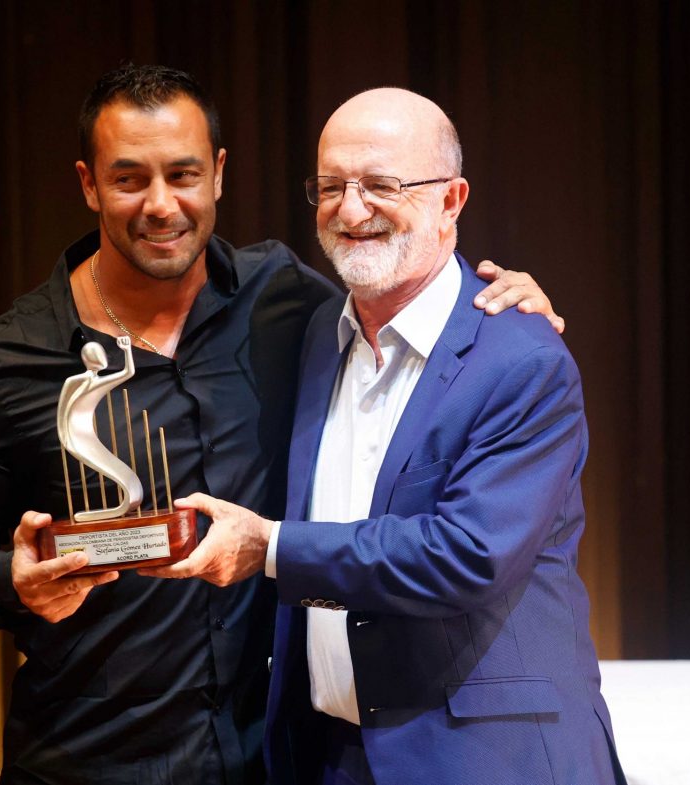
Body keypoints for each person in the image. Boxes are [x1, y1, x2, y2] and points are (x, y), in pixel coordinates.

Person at [0, 65, 563, 785]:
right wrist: (11, 581)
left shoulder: (286, 303)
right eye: (129, 179)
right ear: (89, 184)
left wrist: (497, 301)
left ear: (218, 175)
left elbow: (404, 288)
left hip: (266, 757)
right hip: (84, 756)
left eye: (183, 174)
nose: (161, 204)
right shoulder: (0, 361)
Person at [146, 87, 625, 784]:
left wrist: (268, 547)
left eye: (381, 184)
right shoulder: (318, 333)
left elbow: (465, 556)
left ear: (452, 200)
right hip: (332, 755)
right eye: (331, 186)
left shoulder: (521, 358)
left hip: (485, 762)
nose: (350, 209)